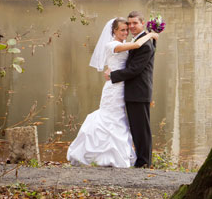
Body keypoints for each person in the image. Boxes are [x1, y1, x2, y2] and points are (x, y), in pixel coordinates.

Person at [67, 17, 158, 167]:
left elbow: (130, 62)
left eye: (126, 30)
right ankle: (100, 155)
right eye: (122, 29)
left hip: (124, 87)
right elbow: (136, 44)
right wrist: (150, 34)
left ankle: (122, 156)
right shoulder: (112, 45)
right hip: (114, 88)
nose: (125, 32)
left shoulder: (124, 44)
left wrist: (113, 71)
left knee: (121, 121)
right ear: (114, 31)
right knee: (109, 118)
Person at [107, 10, 156, 168]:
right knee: (136, 128)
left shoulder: (145, 44)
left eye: (135, 23)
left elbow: (135, 69)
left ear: (142, 23)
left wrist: (114, 75)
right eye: (129, 24)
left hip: (139, 92)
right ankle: (141, 160)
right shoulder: (139, 40)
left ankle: (144, 162)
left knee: (141, 129)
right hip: (133, 91)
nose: (132, 26)